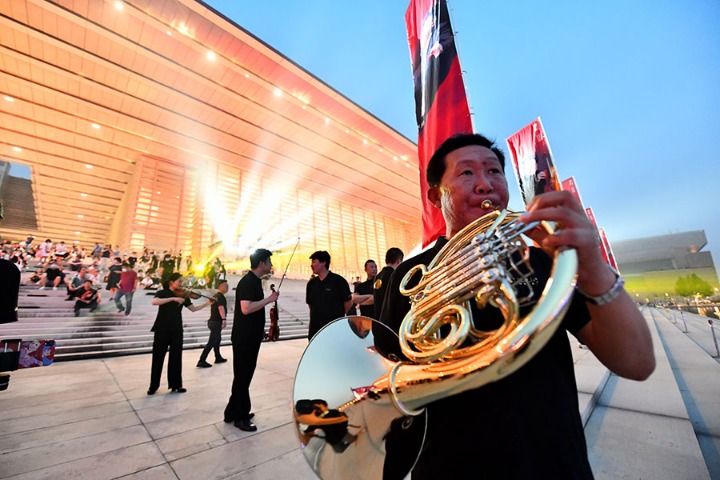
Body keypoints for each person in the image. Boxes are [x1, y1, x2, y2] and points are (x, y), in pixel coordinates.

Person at [378, 133, 655, 479]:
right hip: (448, 467)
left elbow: (637, 362)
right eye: (466, 174)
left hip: (553, 464)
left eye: (494, 172)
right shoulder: (410, 276)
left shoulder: (547, 261)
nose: (485, 185)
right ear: (436, 196)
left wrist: (594, 269)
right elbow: (388, 378)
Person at [223, 248, 279, 432]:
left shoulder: (255, 282)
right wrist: (270, 299)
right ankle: (241, 417)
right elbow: (246, 308)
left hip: (250, 335)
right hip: (244, 338)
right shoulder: (248, 282)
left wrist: (259, 329)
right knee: (243, 376)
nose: (271, 265)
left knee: (242, 376)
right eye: (269, 262)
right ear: (262, 263)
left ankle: (231, 411)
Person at [147, 272, 213, 395]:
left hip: (176, 329)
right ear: (171, 282)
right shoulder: (163, 293)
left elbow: (193, 309)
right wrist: (173, 298)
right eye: (179, 281)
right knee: (158, 357)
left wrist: (207, 304)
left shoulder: (184, 295)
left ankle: (176, 385)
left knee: (176, 357)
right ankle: (153, 386)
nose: (181, 284)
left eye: (182, 282)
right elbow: (154, 302)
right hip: (162, 328)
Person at [305, 250, 352, 340]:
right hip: (315, 331)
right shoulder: (311, 284)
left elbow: (348, 303)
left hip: (334, 330)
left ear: (323, 262)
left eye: (314, 261)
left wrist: (336, 315)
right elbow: (310, 305)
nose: (312, 265)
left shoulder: (339, 281)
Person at [197, 279, 229, 368]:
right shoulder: (220, 296)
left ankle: (218, 357)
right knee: (212, 341)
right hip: (216, 322)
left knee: (217, 339)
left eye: (227, 286)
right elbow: (221, 308)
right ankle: (202, 360)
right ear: (220, 286)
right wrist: (224, 319)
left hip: (213, 322)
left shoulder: (217, 296)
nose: (227, 287)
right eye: (225, 286)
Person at [373, 247, 404, 318]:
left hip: (380, 318)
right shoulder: (395, 275)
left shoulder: (377, 276)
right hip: (392, 320)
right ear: (399, 261)